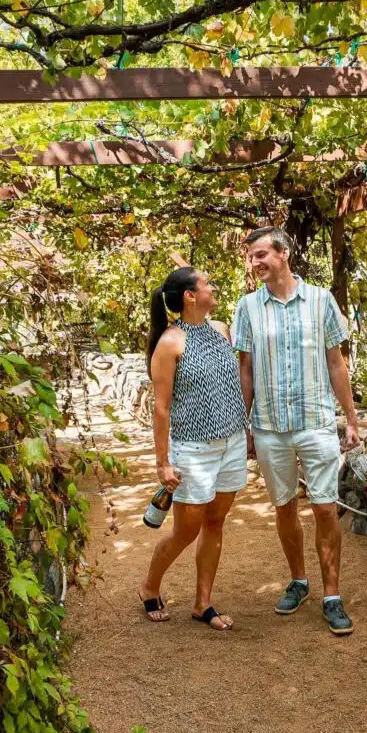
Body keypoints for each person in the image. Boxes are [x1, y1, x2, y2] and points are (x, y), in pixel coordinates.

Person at [232, 227, 360, 635]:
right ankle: (299, 581)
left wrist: (351, 419)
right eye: (252, 257)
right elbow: (246, 370)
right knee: (284, 506)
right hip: (270, 427)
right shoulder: (247, 307)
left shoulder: (322, 301)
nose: (255, 263)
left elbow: (336, 363)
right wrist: (245, 424)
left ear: (284, 253)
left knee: (324, 508)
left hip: (316, 423)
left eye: (261, 254)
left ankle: (332, 596)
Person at [139, 266, 248, 631]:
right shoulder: (170, 343)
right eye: (207, 284)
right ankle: (149, 586)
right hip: (194, 450)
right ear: (189, 296)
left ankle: (203, 602)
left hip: (231, 443)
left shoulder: (219, 331)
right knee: (186, 531)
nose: (214, 287)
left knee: (215, 522)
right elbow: (162, 407)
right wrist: (163, 463)